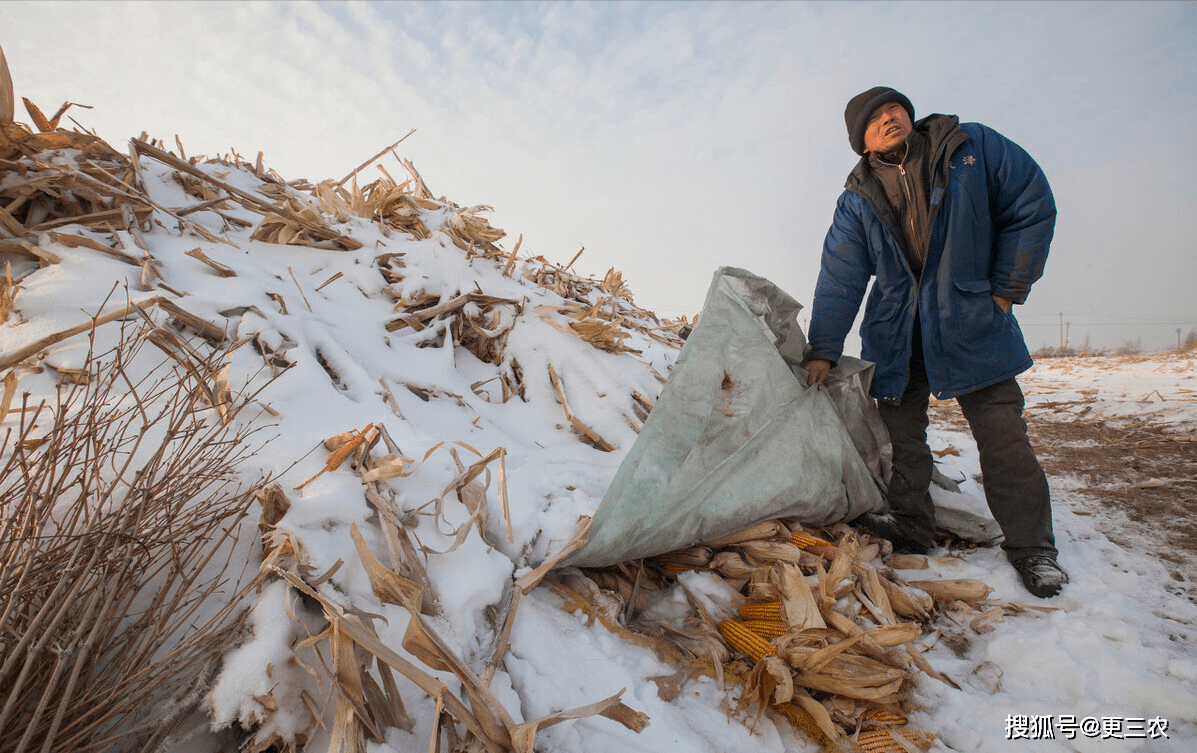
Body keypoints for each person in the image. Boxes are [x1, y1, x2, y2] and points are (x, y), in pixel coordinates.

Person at [803, 86, 1067, 598]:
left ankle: (1033, 548)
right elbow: (840, 276)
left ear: (909, 113)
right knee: (902, 441)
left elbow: (1031, 204)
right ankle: (911, 525)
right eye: (874, 119)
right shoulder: (856, 199)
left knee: (1003, 438)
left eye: (894, 109)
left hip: (973, 322)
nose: (889, 119)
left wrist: (1006, 290)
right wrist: (823, 349)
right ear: (861, 142)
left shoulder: (970, 148)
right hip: (898, 333)